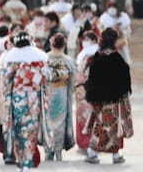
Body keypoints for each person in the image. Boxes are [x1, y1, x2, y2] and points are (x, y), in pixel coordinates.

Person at [0, 32, 50, 172]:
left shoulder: (10, 59)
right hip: (33, 98)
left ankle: (20, 163)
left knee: (18, 130)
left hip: (17, 98)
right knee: (30, 131)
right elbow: (47, 77)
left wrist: (5, 98)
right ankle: (27, 162)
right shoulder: (39, 58)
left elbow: (5, 82)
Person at [84, 28, 133, 164]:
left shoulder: (97, 57)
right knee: (114, 126)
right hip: (114, 99)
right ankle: (116, 155)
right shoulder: (117, 58)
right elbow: (125, 79)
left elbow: (90, 78)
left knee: (99, 125)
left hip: (98, 99)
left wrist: (91, 95)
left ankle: (92, 152)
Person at [45, 33, 76, 161]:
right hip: (62, 93)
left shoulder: (44, 58)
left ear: (52, 44)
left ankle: (48, 151)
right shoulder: (68, 61)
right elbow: (72, 81)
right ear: (64, 45)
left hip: (47, 93)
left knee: (47, 122)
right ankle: (58, 151)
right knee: (60, 123)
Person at [75, 31, 98, 152]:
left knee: (83, 117)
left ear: (94, 40)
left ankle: (84, 143)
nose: (85, 42)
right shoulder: (101, 53)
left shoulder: (83, 55)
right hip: (95, 89)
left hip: (83, 89)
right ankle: (94, 143)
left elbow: (78, 74)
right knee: (94, 116)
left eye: (87, 39)